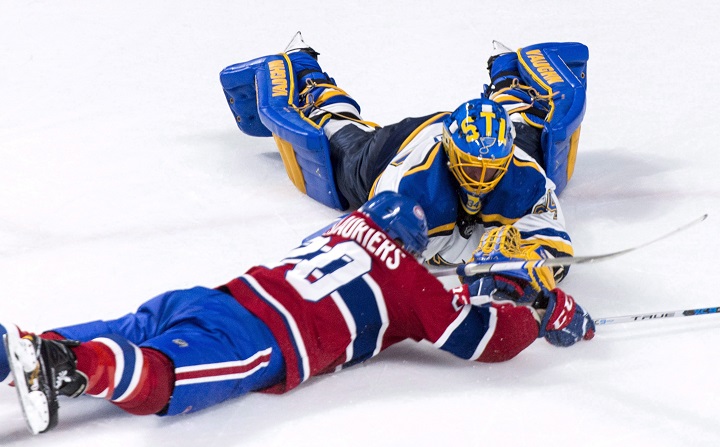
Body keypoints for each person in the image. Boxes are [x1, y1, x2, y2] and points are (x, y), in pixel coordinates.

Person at [2, 192, 595, 435]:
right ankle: (67, 368)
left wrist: (462, 283)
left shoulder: (346, 226)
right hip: (259, 335)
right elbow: (479, 338)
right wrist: (537, 312)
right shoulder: (417, 288)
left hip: (216, 295)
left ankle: (19, 354)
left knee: (121, 328)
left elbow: (383, 269)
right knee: (163, 376)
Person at [220, 36, 589, 290]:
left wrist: (534, 257)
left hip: (475, 138)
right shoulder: (406, 182)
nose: (481, 179)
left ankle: (510, 75)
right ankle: (306, 77)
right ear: (451, 153)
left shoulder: (522, 171)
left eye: (492, 169)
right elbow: (390, 265)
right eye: (473, 168)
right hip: (397, 146)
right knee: (343, 159)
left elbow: (553, 237)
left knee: (534, 135)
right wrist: (483, 265)